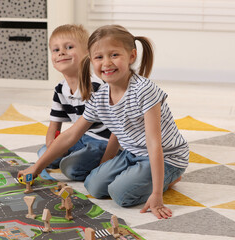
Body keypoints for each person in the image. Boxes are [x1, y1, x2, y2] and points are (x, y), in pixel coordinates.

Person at [18, 24, 189, 219]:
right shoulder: (100, 95)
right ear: (91, 61)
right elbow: (72, 134)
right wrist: (37, 167)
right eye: (99, 57)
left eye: (114, 55)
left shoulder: (144, 90)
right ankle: (141, 176)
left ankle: (170, 177)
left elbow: (153, 143)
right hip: (132, 152)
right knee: (94, 185)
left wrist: (157, 194)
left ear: (132, 56)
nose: (106, 63)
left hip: (166, 156)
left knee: (121, 194)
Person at [37, 24, 118, 180]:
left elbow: (117, 129)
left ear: (88, 53)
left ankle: (111, 165)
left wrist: (106, 162)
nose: (61, 52)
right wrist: (51, 145)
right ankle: (75, 156)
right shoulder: (61, 89)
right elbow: (54, 125)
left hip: (103, 142)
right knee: (43, 153)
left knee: (71, 168)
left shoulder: (97, 86)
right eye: (55, 50)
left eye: (69, 47)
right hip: (79, 138)